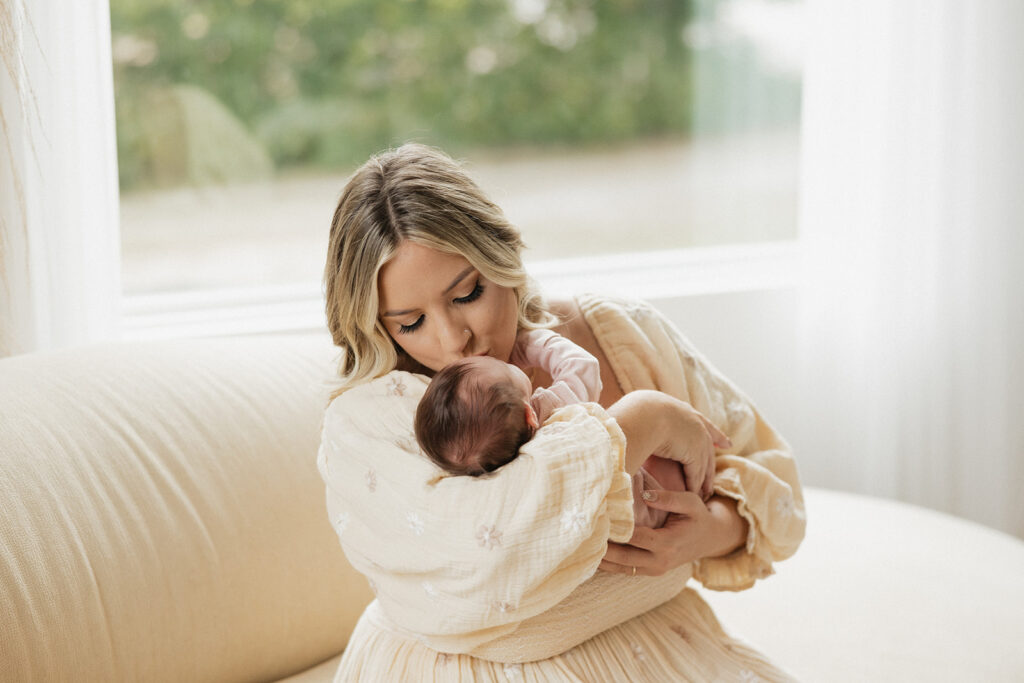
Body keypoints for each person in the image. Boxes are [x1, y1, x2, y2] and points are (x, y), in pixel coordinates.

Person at [319, 143, 806, 681]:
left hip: (663, 647)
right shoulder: (372, 417)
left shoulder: (618, 332)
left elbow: (774, 477)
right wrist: (643, 423)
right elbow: (490, 556)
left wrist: (713, 530)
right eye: (410, 323)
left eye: (469, 293)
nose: (455, 339)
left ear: (501, 255)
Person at [414, 328, 715, 529]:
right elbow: (583, 368)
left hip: (619, 522)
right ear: (529, 415)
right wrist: (532, 345)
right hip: (650, 497)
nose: (508, 362)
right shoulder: (552, 412)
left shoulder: (501, 467)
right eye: (506, 368)